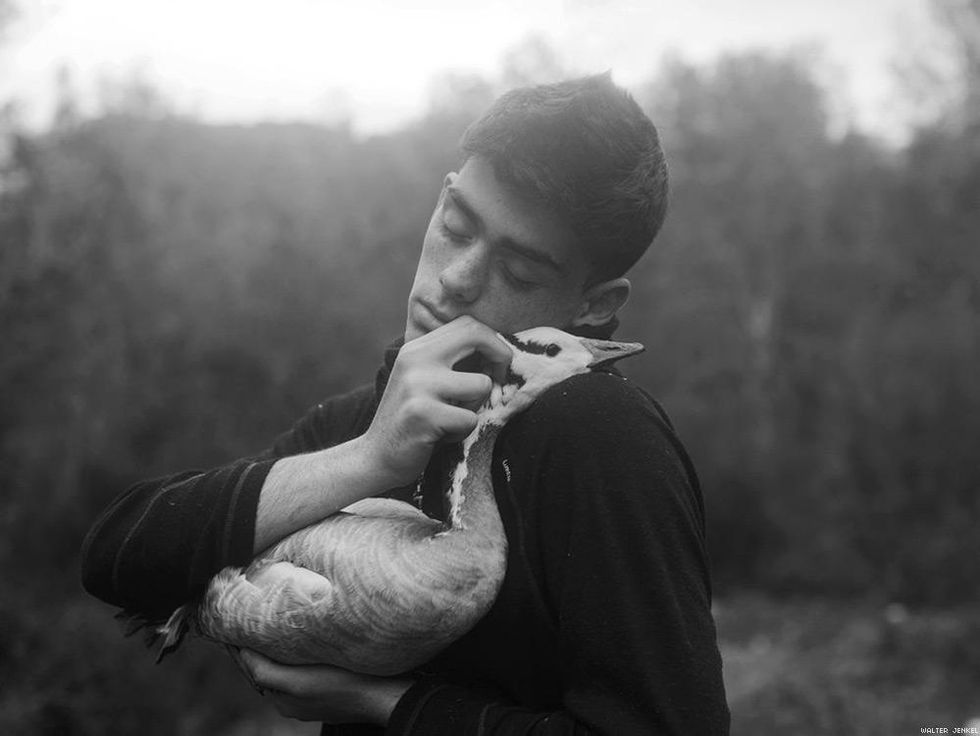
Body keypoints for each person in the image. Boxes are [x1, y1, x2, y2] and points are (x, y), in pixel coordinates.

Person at [81, 72, 730, 735]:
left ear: (593, 305)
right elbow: (119, 555)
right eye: (456, 223)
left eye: (519, 272)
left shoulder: (596, 434)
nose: (455, 278)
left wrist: (387, 705)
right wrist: (368, 458)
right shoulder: (365, 421)